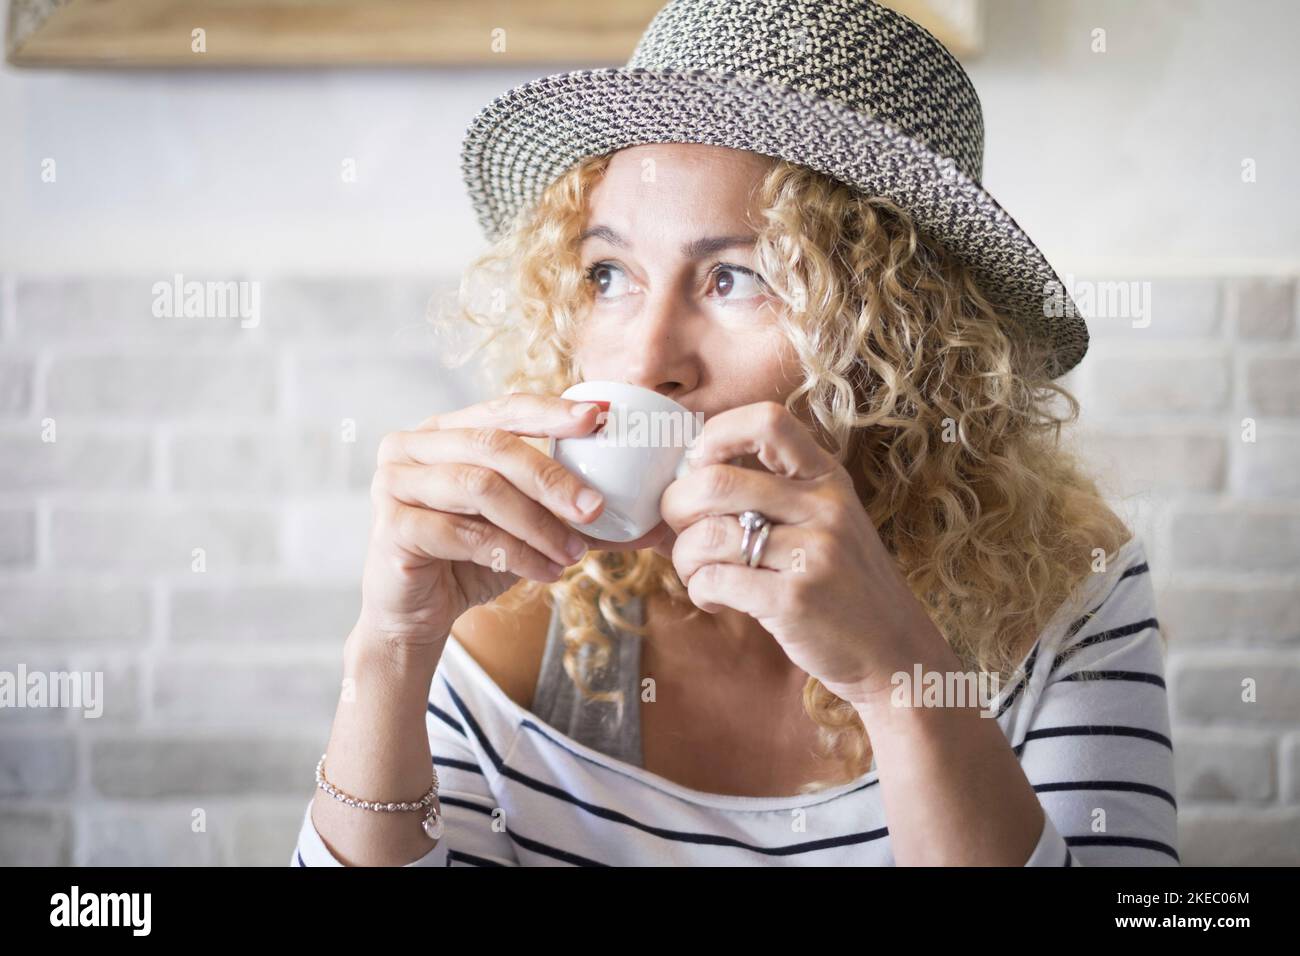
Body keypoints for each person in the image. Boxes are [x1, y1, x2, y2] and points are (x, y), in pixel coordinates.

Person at [292, 0, 1177, 866]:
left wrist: (900, 676)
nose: (646, 362)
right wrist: (388, 659)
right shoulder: (507, 611)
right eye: (608, 274)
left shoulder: (1064, 596)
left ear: (904, 338)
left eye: (736, 279)